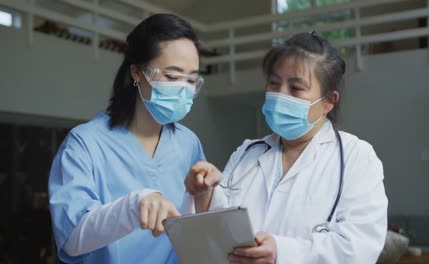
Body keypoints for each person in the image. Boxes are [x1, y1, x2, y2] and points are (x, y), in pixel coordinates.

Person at [184, 31, 388, 263]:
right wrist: (205, 194)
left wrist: (282, 252)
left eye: (296, 88)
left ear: (328, 102)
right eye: (274, 82)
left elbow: (359, 248)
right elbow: (220, 227)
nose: (280, 95)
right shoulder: (247, 152)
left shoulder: (356, 157)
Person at [49, 14, 206, 264]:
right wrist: (135, 204)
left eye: (190, 79)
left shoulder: (188, 143)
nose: (183, 89)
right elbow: (72, 238)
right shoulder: (86, 143)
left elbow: (197, 227)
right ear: (136, 72)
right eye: (172, 76)